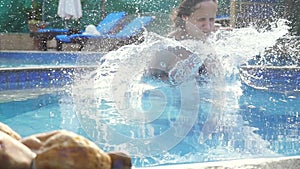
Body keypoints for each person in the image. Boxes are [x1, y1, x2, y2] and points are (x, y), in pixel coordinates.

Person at [147, 0, 221, 84]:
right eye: (201, 20)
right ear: (185, 17)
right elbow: (152, 82)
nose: (208, 27)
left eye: (211, 20)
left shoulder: (216, 37)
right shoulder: (169, 47)